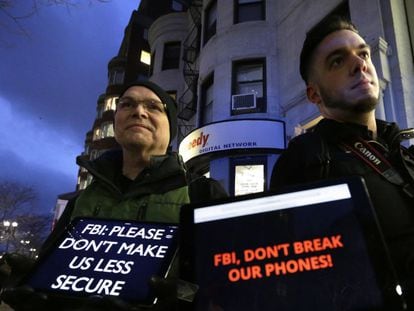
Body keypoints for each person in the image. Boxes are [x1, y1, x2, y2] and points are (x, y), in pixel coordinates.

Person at [0, 80, 227, 310]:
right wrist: (31, 284)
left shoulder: (203, 194)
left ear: (170, 129)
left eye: (153, 107)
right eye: (127, 105)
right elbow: (51, 278)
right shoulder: (81, 200)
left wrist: (178, 298)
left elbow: (225, 286)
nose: (139, 112)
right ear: (116, 120)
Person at [270, 15, 414, 304]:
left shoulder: (402, 150)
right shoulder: (304, 159)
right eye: (337, 61)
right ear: (315, 95)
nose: (359, 64)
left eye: (363, 54)